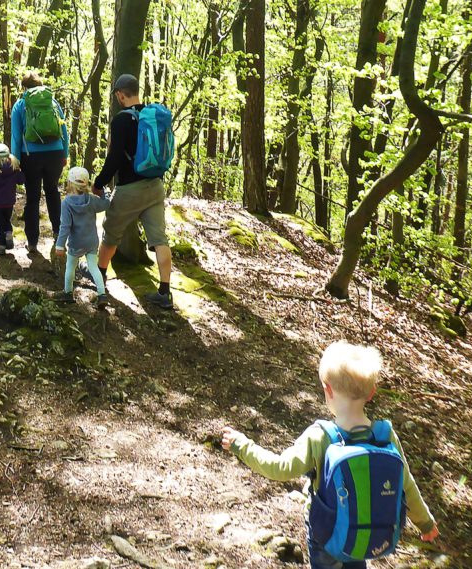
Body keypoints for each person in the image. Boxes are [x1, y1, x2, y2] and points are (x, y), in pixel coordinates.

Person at [220, 341, 439, 569]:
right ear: (372, 393)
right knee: (355, 552)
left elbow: (279, 468)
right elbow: (406, 483)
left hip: (326, 533)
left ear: (328, 390)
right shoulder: (385, 435)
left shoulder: (320, 436)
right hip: (365, 531)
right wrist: (425, 522)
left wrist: (241, 445)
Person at [93, 74, 174, 310]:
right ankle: (165, 292)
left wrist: (99, 183)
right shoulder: (152, 115)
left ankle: (99, 277)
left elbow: (115, 158)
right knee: (159, 239)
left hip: (129, 189)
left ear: (120, 94)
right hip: (155, 186)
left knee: (111, 233)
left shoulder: (121, 120)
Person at [10, 71, 70, 252]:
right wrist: (64, 154)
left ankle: (32, 242)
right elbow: (64, 131)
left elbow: (16, 136)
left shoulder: (20, 105)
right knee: (52, 191)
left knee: (33, 197)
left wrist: (15, 159)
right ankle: (59, 235)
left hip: (31, 156)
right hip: (55, 153)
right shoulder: (53, 102)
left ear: (24, 87)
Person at [55, 167, 110, 307]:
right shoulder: (91, 199)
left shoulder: (66, 203)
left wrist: (60, 245)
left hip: (76, 243)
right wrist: (105, 193)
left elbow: (65, 226)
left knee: (70, 267)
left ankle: (68, 292)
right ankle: (102, 294)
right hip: (91, 241)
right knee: (94, 267)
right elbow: (105, 204)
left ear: (70, 183)